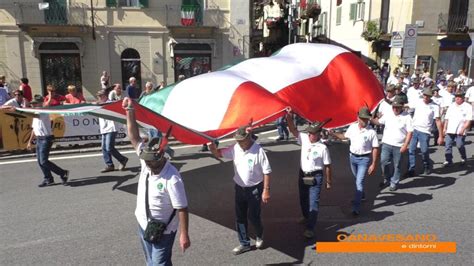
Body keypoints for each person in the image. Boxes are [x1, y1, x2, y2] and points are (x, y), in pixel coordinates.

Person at [123, 97, 190, 265]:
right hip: (143, 222)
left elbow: (182, 208)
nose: (146, 163)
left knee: (158, 264)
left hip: (164, 229)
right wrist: (130, 111)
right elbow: (134, 137)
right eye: (145, 160)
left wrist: (184, 234)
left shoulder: (172, 178)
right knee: (151, 262)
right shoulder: (147, 160)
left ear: (161, 158)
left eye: (150, 161)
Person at [208, 126, 271, 255]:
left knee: (253, 216)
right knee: (240, 217)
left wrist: (266, 190)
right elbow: (219, 154)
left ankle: (259, 234)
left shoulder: (258, 150)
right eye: (238, 140)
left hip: (255, 189)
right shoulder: (235, 148)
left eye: (242, 140)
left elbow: (267, 171)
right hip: (239, 188)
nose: (240, 143)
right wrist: (212, 148)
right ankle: (244, 243)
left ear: (248, 138)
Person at [286, 114, 332, 239]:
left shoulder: (323, 148)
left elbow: (327, 165)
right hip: (303, 174)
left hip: (316, 177)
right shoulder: (304, 138)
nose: (310, 135)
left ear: (318, 134)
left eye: (312, 133)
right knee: (303, 199)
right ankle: (306, 217)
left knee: (313, 203)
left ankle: (310, 228)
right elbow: (293, 130)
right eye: (309, 133)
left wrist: (328, 181)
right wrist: (289, 118)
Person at [329, 107, 379, 216]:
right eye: (362, 118)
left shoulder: (372, 132)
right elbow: (344, 137)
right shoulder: (352, 128)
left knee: (358, 182)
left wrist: (373, 163)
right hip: (353, 157)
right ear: (358, 118)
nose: (364, 121)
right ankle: (361, 194)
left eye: (366, 119)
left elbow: (375, 148)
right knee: (357, 179)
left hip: (364, 159)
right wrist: (333, 134)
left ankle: (356, 207)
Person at [26, 95, 69, 187]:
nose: (33, 105)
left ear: (41, 103)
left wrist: (19, 111)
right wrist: (30, 141)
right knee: (39, 161)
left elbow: (35, 115)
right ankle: (48, 178)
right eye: (32, 104)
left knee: (44, 161)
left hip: (46, 138)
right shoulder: (36, 113)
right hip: (39, 138)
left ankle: (62, 173)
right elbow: (34, 129)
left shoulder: (44, 111)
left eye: (35, 103)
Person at [372, 96, 413, 191]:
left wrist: (405, 145)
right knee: (383, 162)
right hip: (386, 143)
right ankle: (387, 178)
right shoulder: (388, 114)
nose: (395, 109)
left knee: (397, 165)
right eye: (394, 107)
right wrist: (370, 118)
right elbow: (378, 122)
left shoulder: (407, 117)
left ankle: (394, 182)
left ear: (402, 106)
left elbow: (410, 132)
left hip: (399, 145)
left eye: (397, 107)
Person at [407, 88, 443, 176]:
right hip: (415, 129)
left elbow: (438, 121)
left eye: (428, 96)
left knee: (424, 151)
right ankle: (411, 168)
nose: (425, 97)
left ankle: (426, 166)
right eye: (424, 95)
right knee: (411, 150)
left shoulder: (435, 106)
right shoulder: (418, 102)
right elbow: (407, 105)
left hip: (425, 131)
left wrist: (441, 136)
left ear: (431, 96)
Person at [96, 89, 128, 173]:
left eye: (100, 96)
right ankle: (109, 165)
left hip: (111, 127)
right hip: (104, 128)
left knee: (109, 147)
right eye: (98, 96)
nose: (99, 97)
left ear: (105, 96)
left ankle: (122, 159)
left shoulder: (111, 103)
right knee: (104, 148)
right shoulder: (99, 104)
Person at [442, 90, 472, 166]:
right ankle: (448, 160)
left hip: (460, 129)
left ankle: (463, 157)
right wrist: (444, 128)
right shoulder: (451, 105)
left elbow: (469, 120)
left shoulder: (468, 106)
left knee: (459, 145)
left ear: (463, 98)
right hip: (450, 129)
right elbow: (447, 118)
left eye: (459, 97)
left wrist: (463, 129)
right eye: (456, 97)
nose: (457, 98)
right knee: (448, 145)